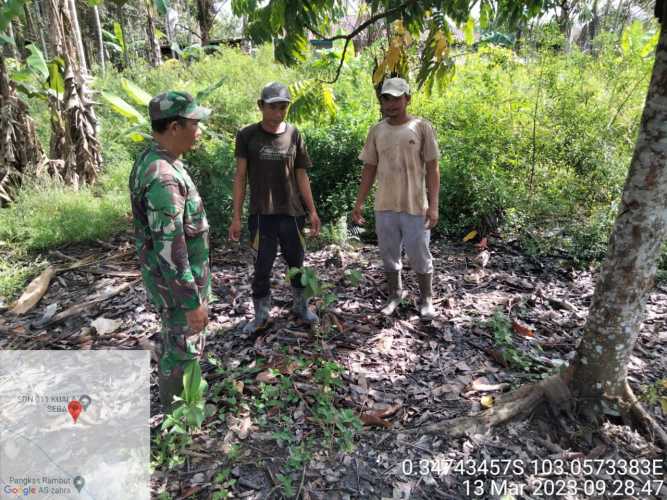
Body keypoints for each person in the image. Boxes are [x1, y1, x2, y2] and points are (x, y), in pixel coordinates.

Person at [129, 91, 211, 411]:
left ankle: (180, 410)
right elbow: (170, 248)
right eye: (194, 123)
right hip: (178, 289)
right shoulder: (163, 177)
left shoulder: (158, 160)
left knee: (177, 345)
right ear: (175, 127)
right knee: (182, 350)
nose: (199, 129)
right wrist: (191, 302)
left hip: (174, 285)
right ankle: (178, 421)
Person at [228, 82, 321, 333]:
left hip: (292, 213)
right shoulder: (247, 135)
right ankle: (261, 314)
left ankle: (301, 306)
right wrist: (236, 216)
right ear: (261, 106)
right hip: (261, 214)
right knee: (262, 266)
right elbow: (240, 177)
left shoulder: (294, 134)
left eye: (283, 107)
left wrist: (312, 211)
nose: (278, 112)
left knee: (297, 263)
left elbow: (301, 175)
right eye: (272, 107)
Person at [352, 77, 440, 320]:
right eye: (386, 98)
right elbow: (369, 168)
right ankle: (394, 294)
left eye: (396, 98)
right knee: (389, 254)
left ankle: (427, 299)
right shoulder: (377, 130)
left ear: (407, 99)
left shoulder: (422, 127)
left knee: (420, 254)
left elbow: (433, 168)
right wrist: (359, 203)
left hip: (414, 206)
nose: (391, 104)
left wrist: (433, 207)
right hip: (385, 205)